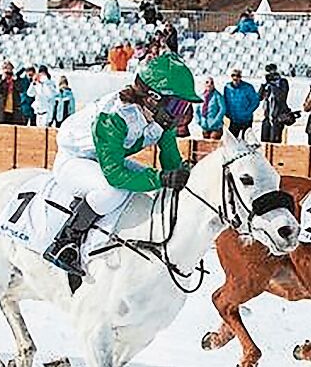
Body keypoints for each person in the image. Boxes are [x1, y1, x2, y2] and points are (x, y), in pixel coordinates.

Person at [45, 53, 201, 275]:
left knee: (153, 184)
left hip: (105, 160)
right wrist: (161, 178)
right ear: (153, 97)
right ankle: (66, 242)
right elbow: (115, 175)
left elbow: (171, 161)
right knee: (112, 191)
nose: (182, 114)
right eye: (178, 105)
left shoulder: (161, 120)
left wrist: (180, 175)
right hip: (75, 160)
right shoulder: (114, 116)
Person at [258, 63, 290, 143]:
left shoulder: (283, 82)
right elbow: (259, 97)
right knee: (264, 142)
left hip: (278, 117)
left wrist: (273, 85)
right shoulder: (267, 84)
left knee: (275, 142)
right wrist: (263, 85)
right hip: (267, 117)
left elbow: (281, 96)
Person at [223, 67, 258, 137]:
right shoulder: (227, 88)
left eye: (238, 76)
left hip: (246, 119)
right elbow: (225, 101)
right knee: (232, 140)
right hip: (234, 119)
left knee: (246, 140)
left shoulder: (248, 87)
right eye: (233, 75)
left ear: (240, 77)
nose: (235, 78)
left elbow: (255, 101)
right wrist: (227, 113)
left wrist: (247, 112)